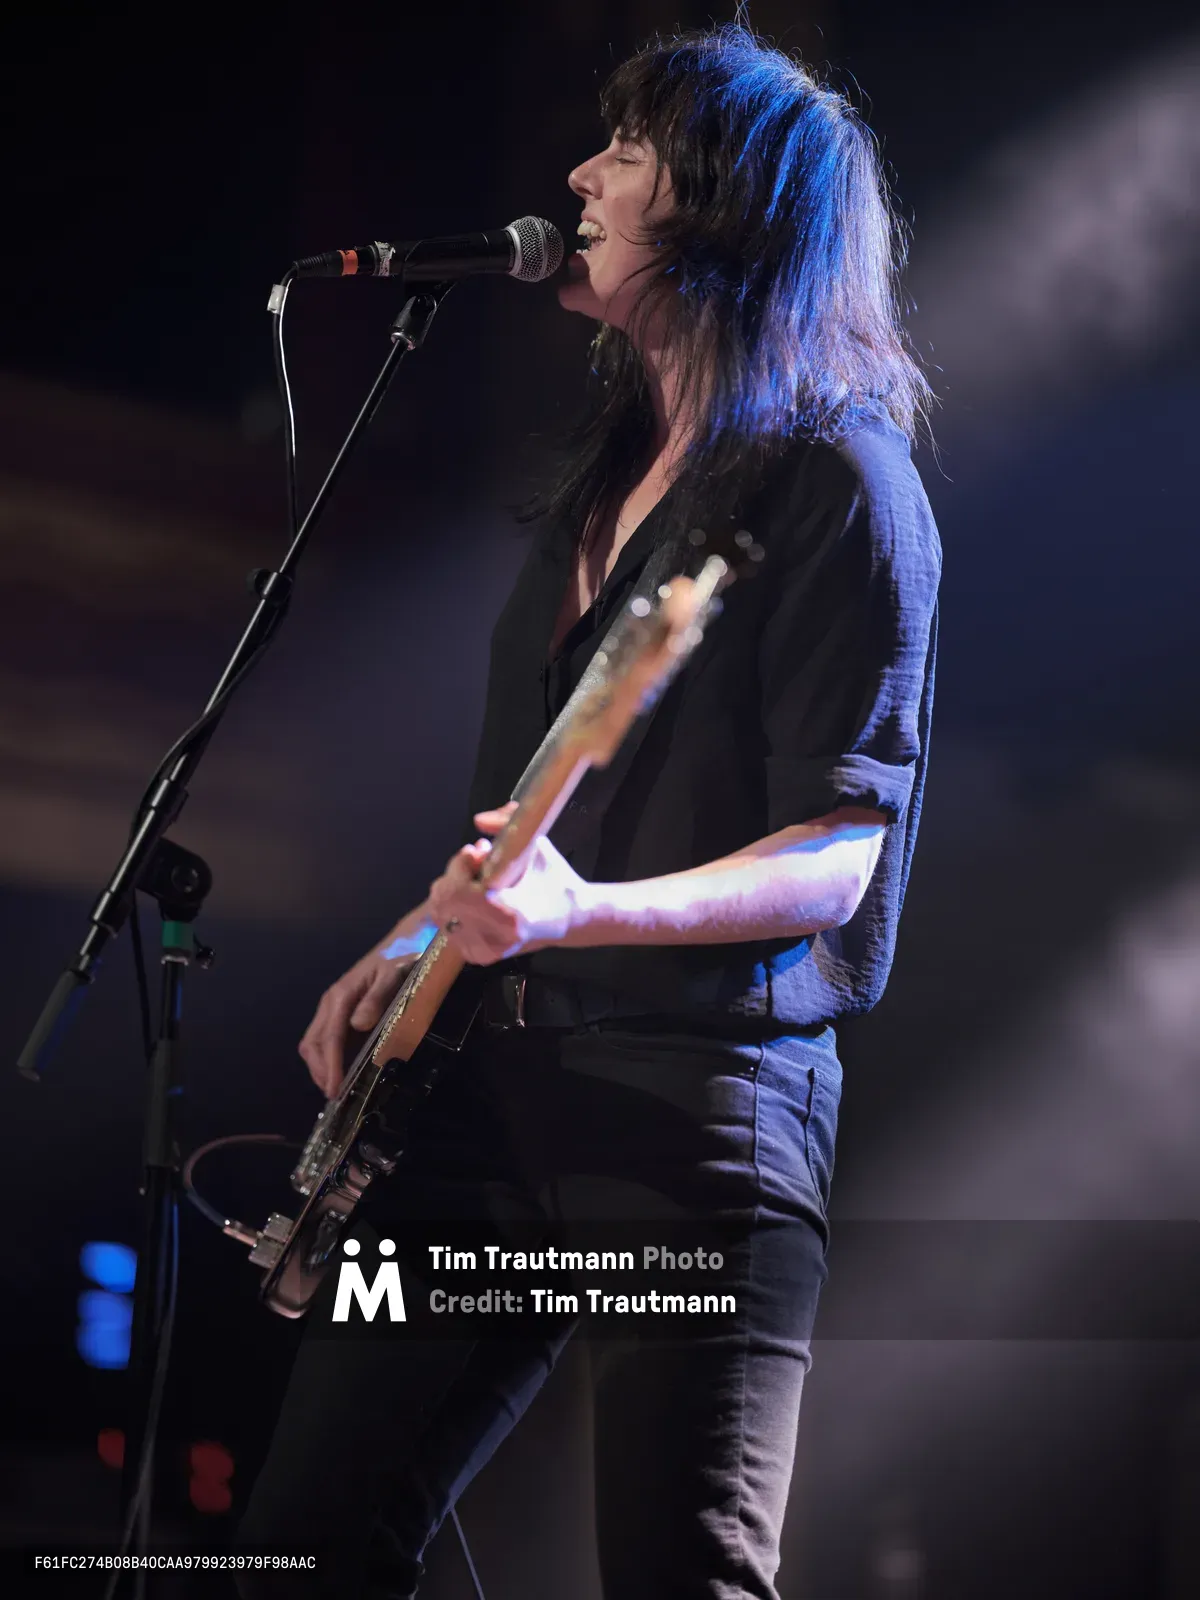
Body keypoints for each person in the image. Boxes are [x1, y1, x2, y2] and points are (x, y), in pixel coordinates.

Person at [236, 25, 940, 1600]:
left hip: (692, 1121)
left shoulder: (839, 481)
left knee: (680, 1571)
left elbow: (838, 853)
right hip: (485, 1092)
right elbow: (535, 814)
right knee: (301, 1545)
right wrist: (421, 938)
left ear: (726, 202)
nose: (579, 175)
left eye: (625, 148)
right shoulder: (601, 481)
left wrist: (581, 916)